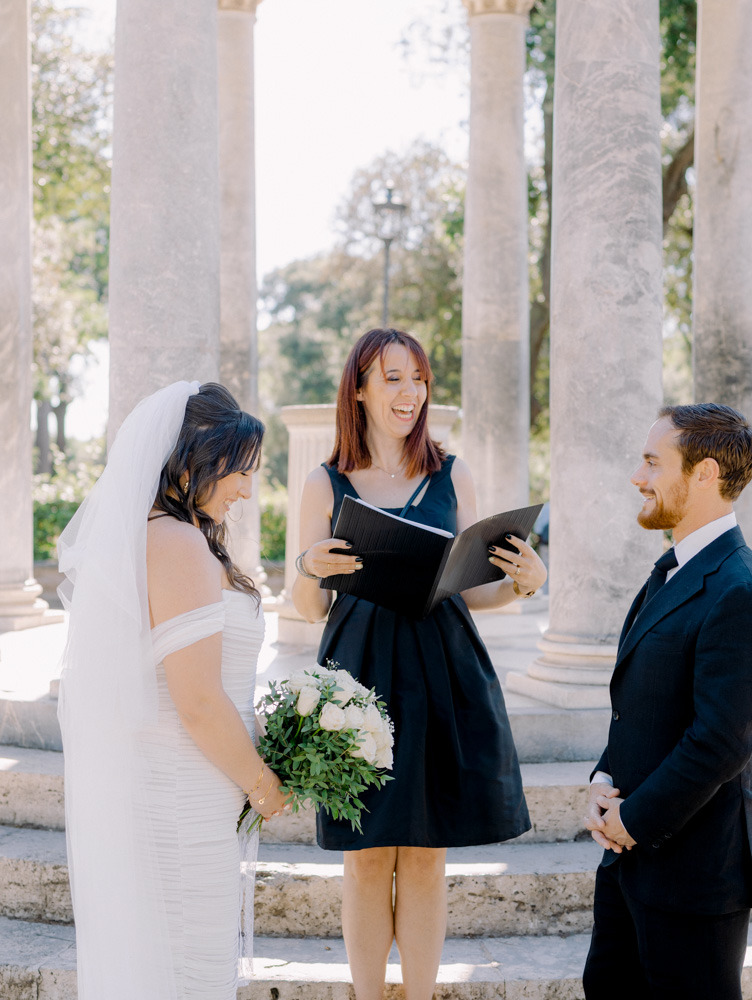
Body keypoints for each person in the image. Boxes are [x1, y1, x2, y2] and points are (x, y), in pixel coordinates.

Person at [292, 328, 546, 1000]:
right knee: (367, 858)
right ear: (361, 388)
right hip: (357, 679)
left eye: (419, 379)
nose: (411, 393)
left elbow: (476, 589)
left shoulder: (451, 473)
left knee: (428, 859)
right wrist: (308, 568)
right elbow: (309, 607)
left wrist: (523, 584)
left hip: (443, 672)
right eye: (394, 378)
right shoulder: (323, 483)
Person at [57, 381, 288, 1000]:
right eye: (236, 472)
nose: (245, 488)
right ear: (190, 460)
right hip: (185, 794)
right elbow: (198, 700)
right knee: (193, 969)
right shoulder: (179, 543)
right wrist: (264, 784)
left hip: (184, 785)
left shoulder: (160, 534)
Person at [583, 403, 752, 1000]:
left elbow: (723, 740)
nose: (638, 476)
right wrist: (603, 780)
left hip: (693, 882)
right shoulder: (669, 569)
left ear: (704, 474)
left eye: (653, 462)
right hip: (627, 872)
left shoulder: (739, 588)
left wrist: (634, 820)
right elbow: (640, 706)